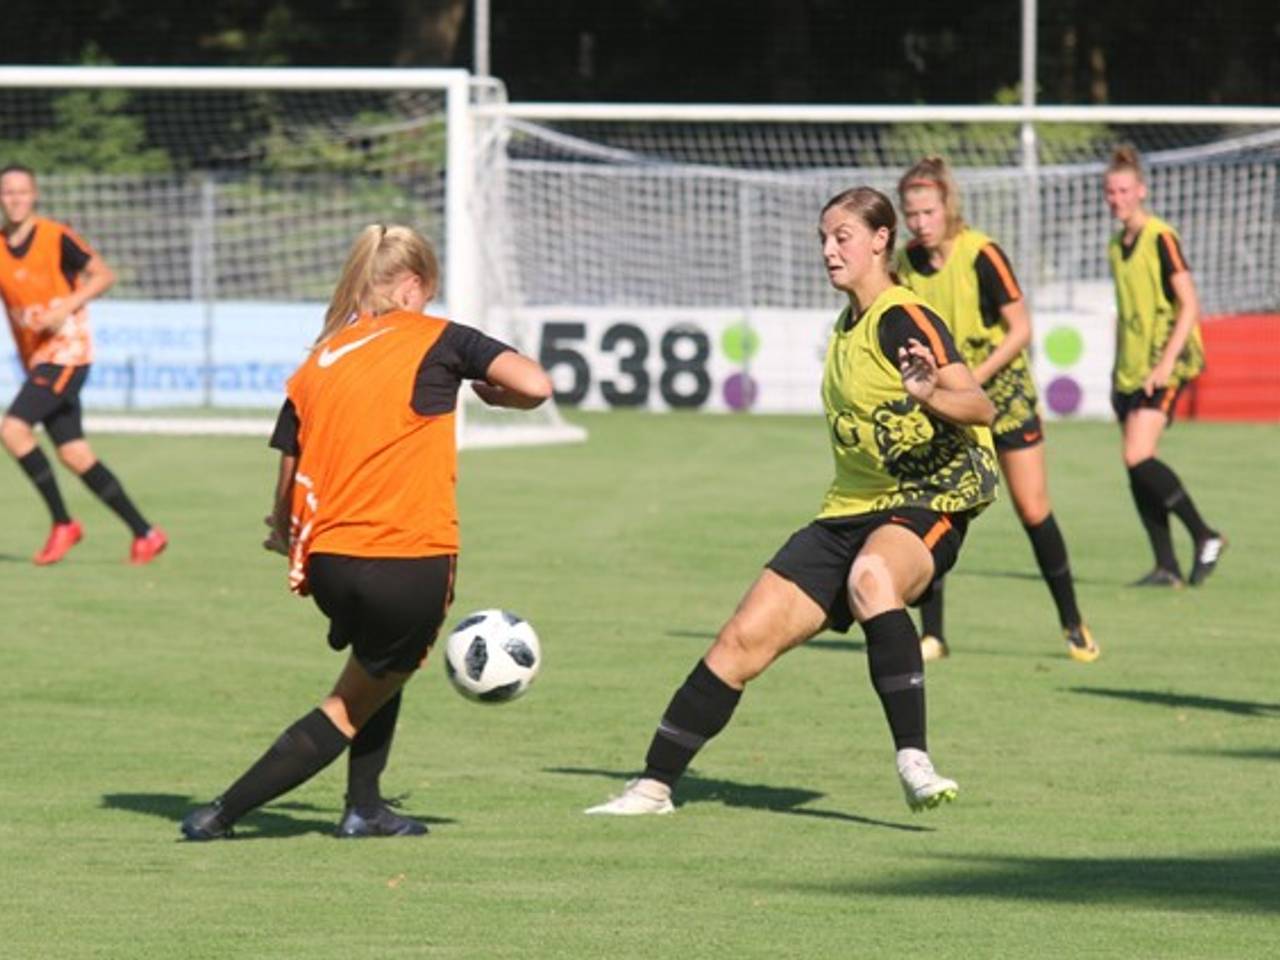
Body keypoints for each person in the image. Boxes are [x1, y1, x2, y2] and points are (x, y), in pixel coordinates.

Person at [586, 187, 998, 817]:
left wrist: (928, 394)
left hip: (931, 497)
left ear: (880, 240)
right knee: (739, 641)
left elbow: (979, 406)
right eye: (824, 239)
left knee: (872, 576)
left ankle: (914, 759)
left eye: (843, 237)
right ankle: (653, 787)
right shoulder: (847, 325)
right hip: (850, 506)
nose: (830, 250)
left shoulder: (902, 317)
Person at [181, 224, 552, 840]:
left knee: (380, 667)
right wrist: (499, 398)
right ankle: (221, 814)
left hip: (328, 559)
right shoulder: (441, 338)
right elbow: (535, 384)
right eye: (426, 292)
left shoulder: (321, 358)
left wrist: (282, 531)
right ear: (411, 286)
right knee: (351, 703)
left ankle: (366, 806)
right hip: (407, 556)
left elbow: (289, 464)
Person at [896, 156, 1098, 664]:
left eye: (927, 211)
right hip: (945, 401)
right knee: (931, 506)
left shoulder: (981, 253)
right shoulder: (906, 265)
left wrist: (974, 382)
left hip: (1002, 396)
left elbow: (1022, 329)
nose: (920, 222)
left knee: (1033, 509)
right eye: (911, 213)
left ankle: (1073, 624)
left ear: (947, 207)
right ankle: (934, 634)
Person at [0, 164, 167, 565]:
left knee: (13, 429)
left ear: (34, 195)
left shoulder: (55, 237)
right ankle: (146, 533)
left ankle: (63, 524)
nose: (15, 199)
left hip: (68, 355)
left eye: (22, 191)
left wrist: (66, 307)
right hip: (38, 362)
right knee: (75, 454)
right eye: (7, 192)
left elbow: (103, 275)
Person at [1104, 146, 1224, 587]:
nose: (1116, 198)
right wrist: (1117, 369)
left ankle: (1205, 534)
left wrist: (1165, 363)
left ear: (1141, 191)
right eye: (1110, 191)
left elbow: (1190, 304)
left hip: (1165, 364)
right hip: (1131, 368)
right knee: (1136, 466)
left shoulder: (1161, 237)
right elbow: (1124, 310)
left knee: (1137, 455)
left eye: (1123, 190)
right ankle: (1166, 565)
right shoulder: (1116, 246)